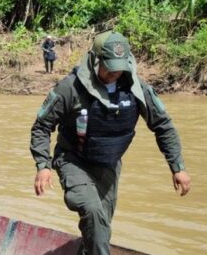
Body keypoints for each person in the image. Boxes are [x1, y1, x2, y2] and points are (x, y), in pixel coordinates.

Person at [30, 31, 191, 255]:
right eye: (109, 67)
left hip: (109, 165)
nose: (114, 73)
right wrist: (43, 165)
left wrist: (177, 167)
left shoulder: (137, 89)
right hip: (73, 161)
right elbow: (41, 126)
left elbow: (163, 125)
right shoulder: (70, 88)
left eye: (119, 67)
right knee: (92, 211)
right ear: (95, 60)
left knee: (101, 226)